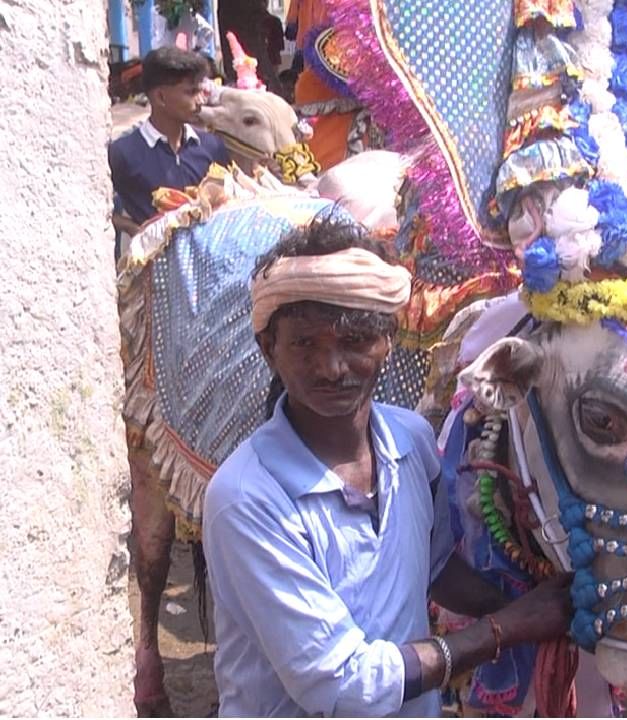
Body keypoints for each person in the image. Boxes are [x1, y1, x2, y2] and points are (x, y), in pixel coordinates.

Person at [202, 218, 573, 716]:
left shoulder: (410, 441)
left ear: (388, 340)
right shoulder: (247, 498)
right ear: (268, 349)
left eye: (355, 340)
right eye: (305, 344)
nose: (332, 367)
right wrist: (508, 628)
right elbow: (345, 688)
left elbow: (433, 567)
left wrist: (553, 603)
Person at [108, 47, 230, 239]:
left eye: (200, 91)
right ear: (160, 98)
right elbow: (95, 207)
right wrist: (130, 227)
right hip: (154, 266)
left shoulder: (212, 147)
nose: (199, 101)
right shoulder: (123, 153)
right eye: (191, 92)